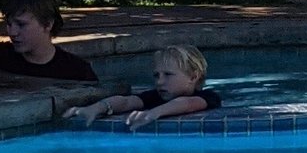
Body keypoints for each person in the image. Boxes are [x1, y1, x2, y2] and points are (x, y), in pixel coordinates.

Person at [77, 45, 219, 128]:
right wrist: (99, 107)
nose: (159, 82)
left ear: (193, 77)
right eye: (156, 75)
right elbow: (127, 101)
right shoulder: (155, 96)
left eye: (168, 75)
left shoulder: (209, 96)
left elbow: (188, 103)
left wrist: (153, 113)